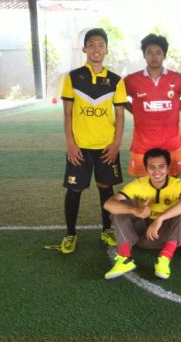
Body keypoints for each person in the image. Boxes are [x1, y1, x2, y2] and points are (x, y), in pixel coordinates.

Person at [47, 28, 127, 254]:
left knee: (106, 188)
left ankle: (107, 230)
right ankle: (70, 234)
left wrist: (116, 144)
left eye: (101, 45)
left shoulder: (116, 81)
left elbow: (120, 115)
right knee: (74, 190)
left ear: (107, 50)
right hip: (79, 147)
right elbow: (67, 113)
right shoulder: (72, 78)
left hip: (106, 147)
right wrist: (70, 144)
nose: (96, 49)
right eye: (91, 44)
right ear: (84, 49)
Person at [103, 148, 181, 279]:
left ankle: (164, 258)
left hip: (165, 236)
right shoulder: (138, 184)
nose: (157, 171)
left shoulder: (176, 185)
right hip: (142, 236)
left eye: (161, 166)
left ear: (168, 168)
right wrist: (134, 210)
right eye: (152, 167)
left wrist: (160, 219)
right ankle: (125, 258)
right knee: (120, 207)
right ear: (146, 168)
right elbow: (108, 204)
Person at [124, 34, 181, 178]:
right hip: (142, 144)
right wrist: (135, 110)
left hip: (171, 143)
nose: (154, 56)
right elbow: (118, 97)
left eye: (158, 52)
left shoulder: (177, 78)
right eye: (149, 52)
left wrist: (177, 107)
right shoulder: (131, 80)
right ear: (144, 55)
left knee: (172, 185)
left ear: (164, 55)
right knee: (143, 186)